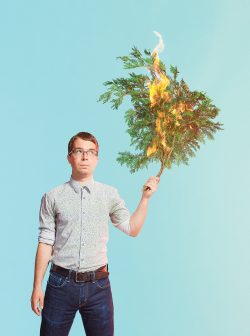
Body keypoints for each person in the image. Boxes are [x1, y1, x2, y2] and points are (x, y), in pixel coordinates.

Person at [30, 131, 160, 336]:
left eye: (91, 152)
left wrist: (145, 198)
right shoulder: (52, 197)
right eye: (79, 151)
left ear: (97, 159)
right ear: (69, 157)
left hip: (98, 287)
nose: (85, 156)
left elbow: (131, 228)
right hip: (60, 285)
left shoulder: (109, 194)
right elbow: (45, 242)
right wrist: (37, 285)